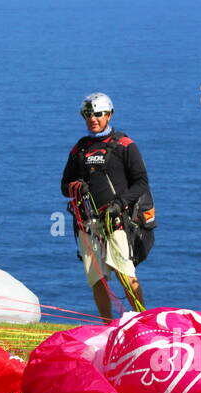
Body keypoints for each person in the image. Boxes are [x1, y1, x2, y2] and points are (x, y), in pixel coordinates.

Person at [61, 92, 155, 321]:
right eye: (88, 114)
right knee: (97, 278)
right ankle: (107, 324)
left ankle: (139, 321)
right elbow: (64, 186)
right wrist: (76, 187)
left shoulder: (125, 145)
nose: (93, 119)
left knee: (126, 274)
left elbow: (141, 182)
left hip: (118, 221)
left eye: (99, 114)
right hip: (88, 224)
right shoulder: (79, 149)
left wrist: (120, 204)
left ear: (109, 115)